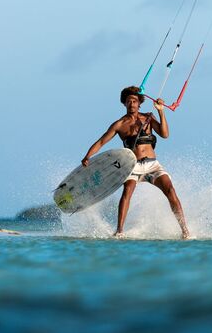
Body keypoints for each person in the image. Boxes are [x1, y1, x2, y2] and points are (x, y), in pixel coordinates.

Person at [82, 85, 191, 239]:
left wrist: (161, 111)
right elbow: (101, 142)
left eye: (134, 101)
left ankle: (184, 230)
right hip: (132, 166)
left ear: (140, 103)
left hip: (152, 164)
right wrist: (87, 156)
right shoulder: (119, 125)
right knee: (127, 192)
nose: (131, 104)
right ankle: (119, 231)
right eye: (128, 101)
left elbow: (165, 134)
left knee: (170, 190)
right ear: (124, 103)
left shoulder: (148, 117)